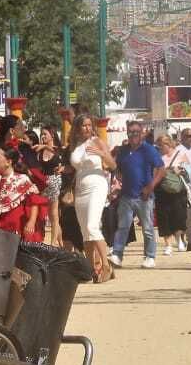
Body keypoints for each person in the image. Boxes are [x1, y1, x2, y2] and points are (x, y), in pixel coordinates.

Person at [108, 120, 165, 269]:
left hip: (144, 196)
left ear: (142, 133)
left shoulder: (149, 150)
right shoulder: (123, 151)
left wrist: (150, 187)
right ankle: (117, 255)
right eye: (131, 132)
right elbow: (117, 168)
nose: (133, 134)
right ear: (127, 133)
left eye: (136, 132)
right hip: (126, 195)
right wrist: (119, 179)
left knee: (147, 228)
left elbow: (161, 169)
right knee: (123, 227)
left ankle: (150, 256)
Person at [67, 113, 116, 283]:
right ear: (77, 128)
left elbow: (113, 164)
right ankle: (90, 269)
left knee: (92, 226)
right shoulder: (75, 145)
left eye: (89, 125)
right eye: (84, 125)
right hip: (81, 186)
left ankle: (106, 265)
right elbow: (76, 166)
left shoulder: (97, 141)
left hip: (97, 184)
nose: (87, 128)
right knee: (85, 231)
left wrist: (101, 153)